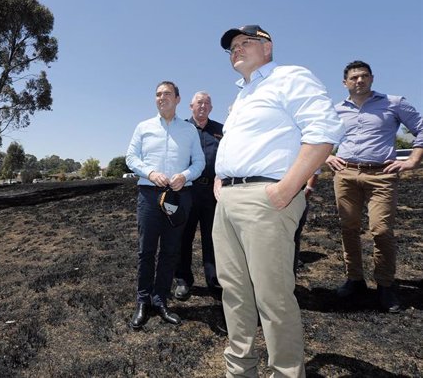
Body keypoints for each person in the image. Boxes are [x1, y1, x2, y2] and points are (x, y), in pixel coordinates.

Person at [213, 25, 345, 377]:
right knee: (234, 292)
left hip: (267, 200)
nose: (236, 50)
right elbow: (239, 145)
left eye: (245, 43)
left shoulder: (289, 77)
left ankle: (286, 372)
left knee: (273, 296)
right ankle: (240, 369)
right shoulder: (240, 95)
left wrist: (287, 188)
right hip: (228, 201)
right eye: (232, 47)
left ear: (267, 47)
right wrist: (220, 178)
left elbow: (324, 131)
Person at [325, 60, 423, 313]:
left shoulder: (394, 102)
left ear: (372, 78)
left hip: (382, 174)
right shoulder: (335, 110)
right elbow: (319, 136)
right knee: (348, 227)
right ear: (345, 83)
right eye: (354, 77)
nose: (359, 80)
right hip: (345, 173)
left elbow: (421, 129)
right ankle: (355, 279)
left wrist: (412, 160)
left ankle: (385, 284)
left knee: (380, 230)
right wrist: (327, 157)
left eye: (364, 76)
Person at [125, 81, 205, 329]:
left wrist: (185, 176)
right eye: (158, 94)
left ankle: (160, 300)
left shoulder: (189, 130)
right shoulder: (143, 127)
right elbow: (130, 158)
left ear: (178, 99)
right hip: (149, 195)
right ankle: (143, 301)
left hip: (178, 196)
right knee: (146, 250)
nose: (162, 98)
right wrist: (149, 172)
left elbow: (199, 162)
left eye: (167, 94)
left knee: (171, 251)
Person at [174, 91, 224, 300]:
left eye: (207, 103)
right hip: (187, 191)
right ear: (191, 106)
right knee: (183, 237)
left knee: (213, 239)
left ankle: (214, 281)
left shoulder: (221, 130)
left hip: (213, 193)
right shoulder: (181, 129)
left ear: (211, 108)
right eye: (199, 103)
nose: (203, 106)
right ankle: (183, 280)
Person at [294, 171, 319, 275]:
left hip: (295, 193)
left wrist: (309, 189)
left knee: (293, 236)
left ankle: (292, 265)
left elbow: (315, 169)